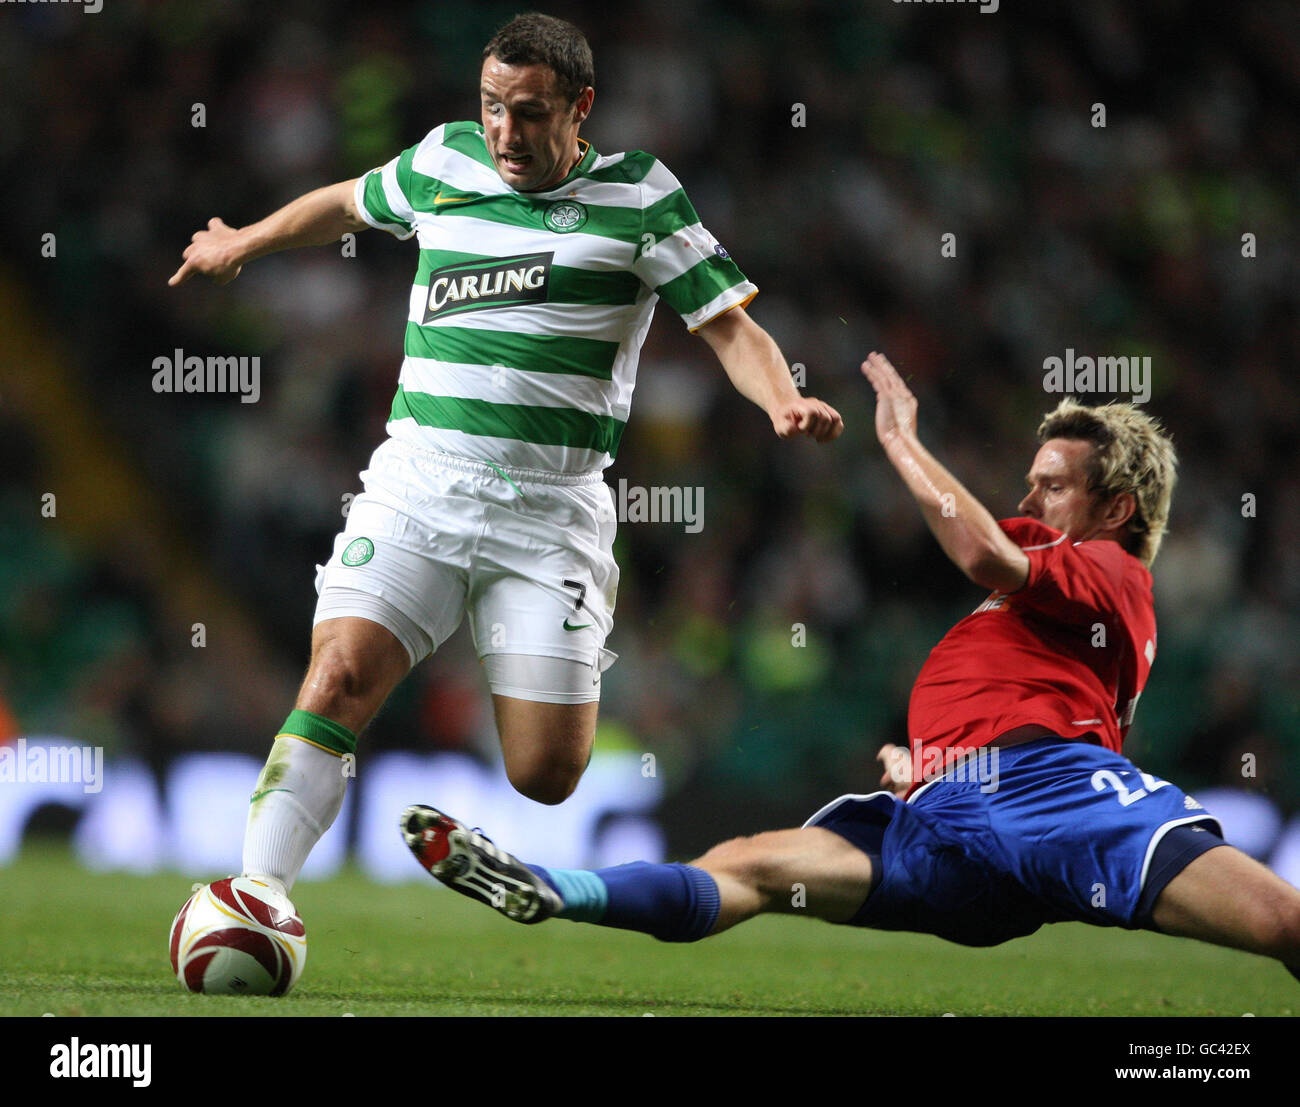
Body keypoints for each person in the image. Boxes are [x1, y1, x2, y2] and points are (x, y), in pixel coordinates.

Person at [167, 12, 842, 900]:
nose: (505, 132)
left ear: (580, 107)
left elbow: (729, 327)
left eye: (529, 113)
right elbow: (347, 201)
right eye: (492, 107)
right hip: (419, 481)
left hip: (551, 511)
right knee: (336, 675)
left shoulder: (640, 195)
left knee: (546, 772)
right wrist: (243, 241)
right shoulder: (445, 162)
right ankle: (259, 897)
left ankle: (487, 845)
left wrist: (784, 398)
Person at [402, 351, 1300, 983]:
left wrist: (902, 441)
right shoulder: (1050, 597)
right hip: (950, 818)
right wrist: (942, 760)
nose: (1028, 498)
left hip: (1050, 791)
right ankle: (554, 890)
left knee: (1280, 922)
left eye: (1052, 484)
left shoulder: (1111, 568)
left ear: (1117, 506)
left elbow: (984, 557)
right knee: (748, 863)